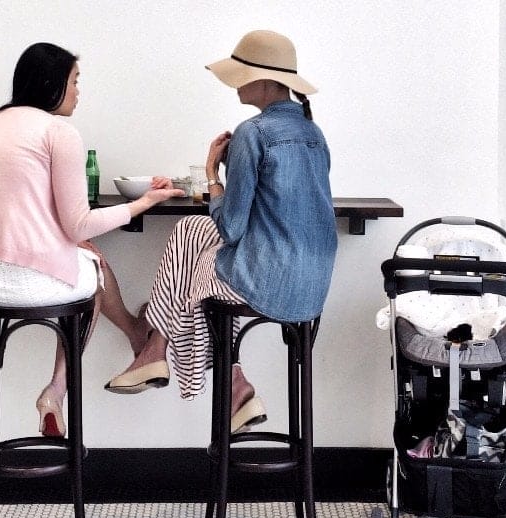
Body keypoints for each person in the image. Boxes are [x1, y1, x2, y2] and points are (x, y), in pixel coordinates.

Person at [106, 30, 337, 434]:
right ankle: (228, 383)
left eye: (243, 74)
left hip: (269, 283)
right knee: (192, 232)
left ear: (265, 80)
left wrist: (214, 172)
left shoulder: (255, 132)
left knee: (195, 276)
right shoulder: (313, 134)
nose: (236, 84)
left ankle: (161, 352)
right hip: (313, 285)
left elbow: (231, 227)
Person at [0, 42, 183, 437]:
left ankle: (136, 335)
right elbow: (78, 224)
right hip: (24, 279)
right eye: (75, 81)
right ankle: (57, 391)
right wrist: (144, 202)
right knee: (90, 271)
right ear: (53, 83)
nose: (79, 91)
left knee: (85, 257)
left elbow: (23, 207)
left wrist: (72, 242)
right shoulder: (58, 132)